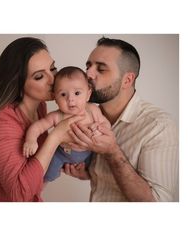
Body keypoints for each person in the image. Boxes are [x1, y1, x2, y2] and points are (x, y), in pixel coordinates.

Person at [63, 37, 179, 202]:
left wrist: (112, 152)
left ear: (127, 80)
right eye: (88, 66)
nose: (87, 74)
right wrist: (90, 173)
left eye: (101, 69)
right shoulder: (86, 116)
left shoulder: (158, 126)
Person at [0, 37, 82, 202]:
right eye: (39, 76)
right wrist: (56, 136)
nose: (53, 80)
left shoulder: (40, 106)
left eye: (53, 68)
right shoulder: (1, 122)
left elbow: (38, 163)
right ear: (18, 85)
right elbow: (19, 194)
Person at [23, 66, 108, 182]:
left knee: (97, 170)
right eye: (63, 94)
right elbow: (37, 126)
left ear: (88, 94)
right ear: (55, 98)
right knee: (46, 176)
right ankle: (37, 191)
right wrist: (30, 140)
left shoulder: (92, 110)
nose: (70, 100)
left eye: (77, 93)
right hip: (61, 154)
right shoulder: (57, 116)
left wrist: (99, 128)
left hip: (88, 153)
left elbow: (106, 124)